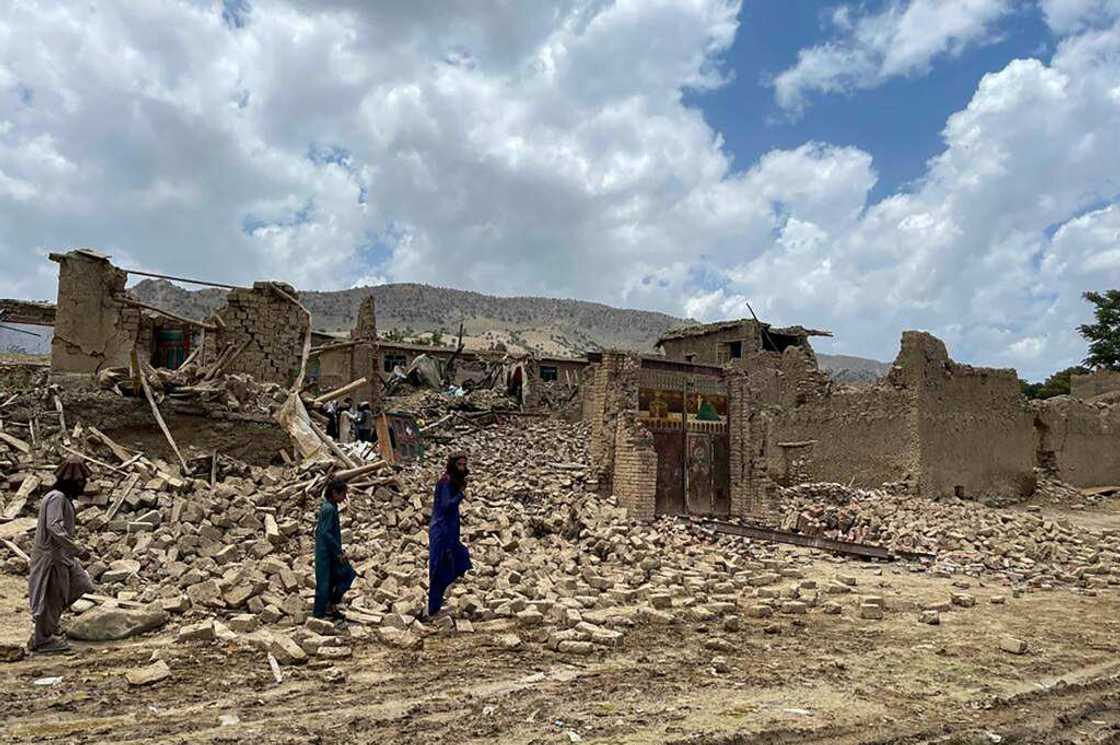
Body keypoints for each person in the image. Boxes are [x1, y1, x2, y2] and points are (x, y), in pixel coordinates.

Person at [28, 456, 95, 653]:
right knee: (51, 596)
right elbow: (54, 527)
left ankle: (48, 626)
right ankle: (43, 639)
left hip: (63, 556)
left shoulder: (62, 498)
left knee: (81, 584)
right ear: (71, 482)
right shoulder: (56, 497)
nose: (83, 486)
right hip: (52, 557)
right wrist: (76, 549)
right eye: (81, 482)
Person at [427, 454, 472, 618]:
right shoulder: (446, 482)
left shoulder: (451, 481)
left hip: (449, 531)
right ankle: (433, 608)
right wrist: (460, 494)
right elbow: (446, 505)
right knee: (439, 567)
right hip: (441, 531)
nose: (462, 468)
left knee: (456, 560)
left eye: (464, 464)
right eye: (459, 465)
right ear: (453, 465)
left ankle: (436, 604)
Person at [313, 478, 356, 619]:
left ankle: (330, 607)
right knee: (330, 581)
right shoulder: (329, 509)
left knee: (333, 580)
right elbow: (324, 533)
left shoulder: (331, 507)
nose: (345, 497)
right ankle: (319, 615)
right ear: (334, 492)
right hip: (327, 553)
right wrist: (338, 552)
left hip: (329, 551)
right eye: (343, 493)